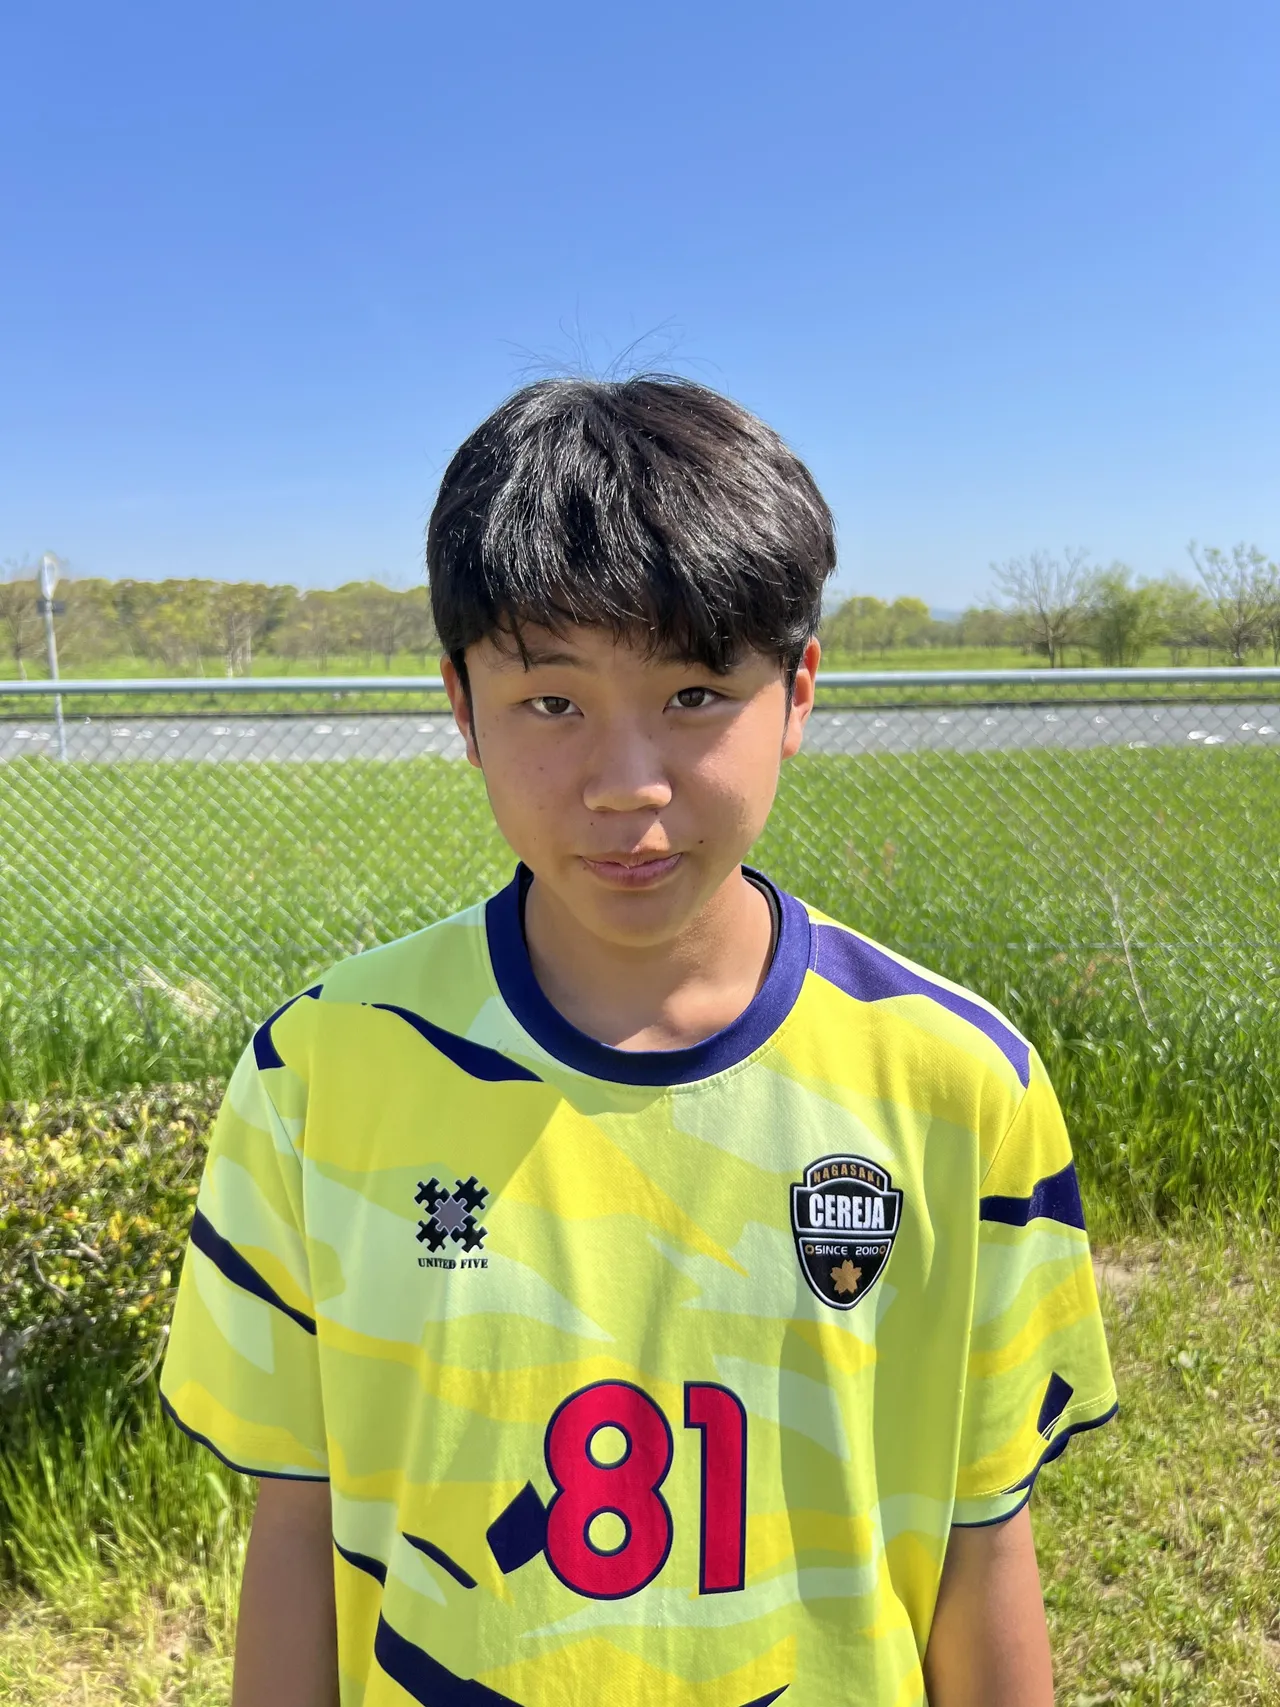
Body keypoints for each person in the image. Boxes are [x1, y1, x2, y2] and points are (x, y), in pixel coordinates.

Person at [160, 376, 1117, 1707]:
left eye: (695, 692)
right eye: (553, 703)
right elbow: (297, 1526)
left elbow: (982, 1537)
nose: (629, 785)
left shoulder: (958, 1086)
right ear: (461, 704)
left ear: (798, 692)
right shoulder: (322, 1073)